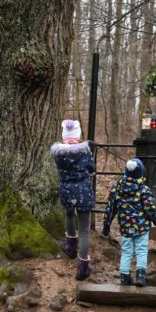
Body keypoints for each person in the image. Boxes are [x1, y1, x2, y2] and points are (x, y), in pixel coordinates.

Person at [102, 158, 156, 287]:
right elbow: (149, 207)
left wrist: (107, 223)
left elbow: (110, 207)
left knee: (127, 251)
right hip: (141, 227)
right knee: (141, 250)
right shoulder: (144, 189)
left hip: (125, 227)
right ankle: (141, 276)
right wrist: (154, 219)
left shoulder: (117, 188)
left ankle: (124, 277)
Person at [51, 119, 95, 280]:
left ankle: (70, 246)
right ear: (77, 135)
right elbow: (92, 168)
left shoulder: (58, 153)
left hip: (67, 190)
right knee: (84, 230)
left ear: (64, 135)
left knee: (69, 214)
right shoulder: (85, 151)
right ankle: (83, 268)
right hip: (83, 190)